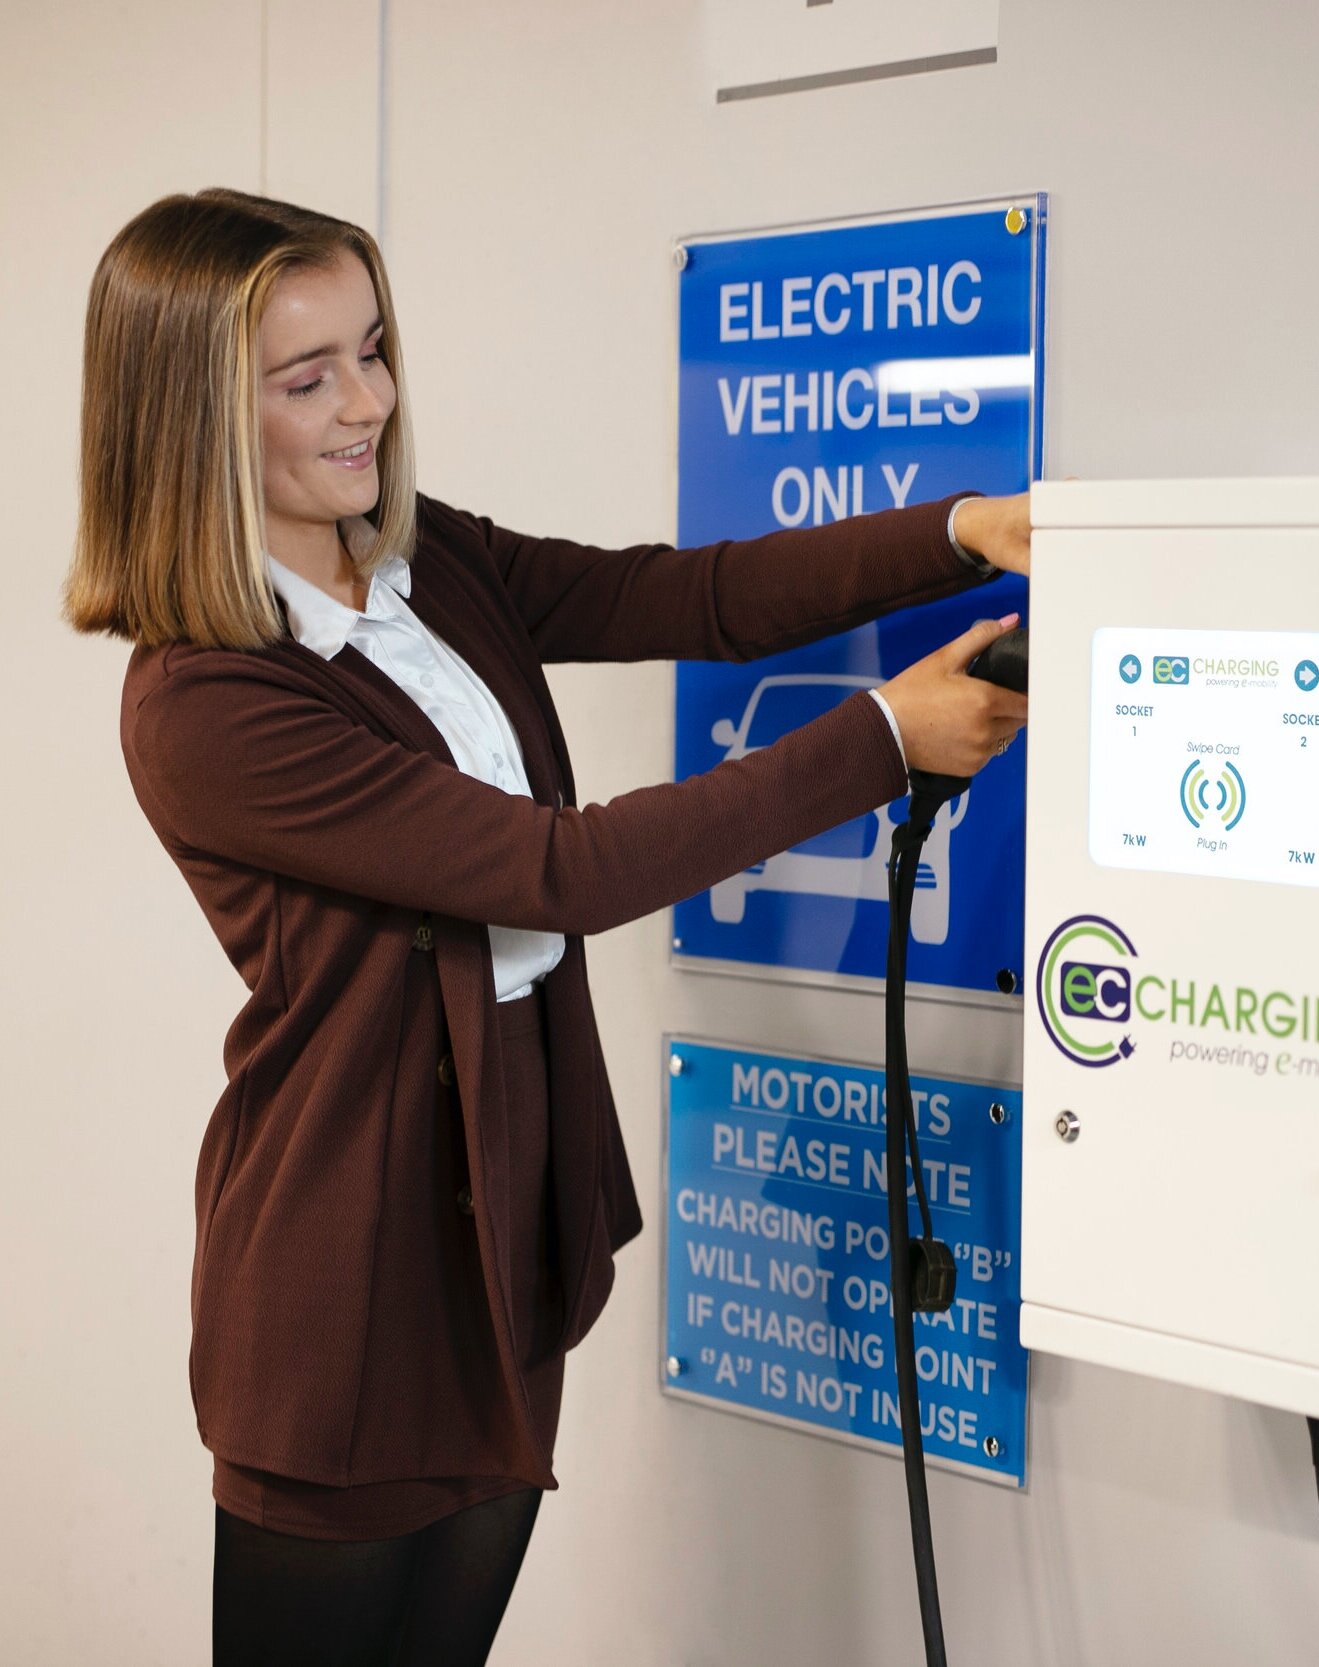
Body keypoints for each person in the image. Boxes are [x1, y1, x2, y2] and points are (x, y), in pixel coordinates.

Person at [61, 186, 1030, 1666]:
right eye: (307, 378)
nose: (368, 404)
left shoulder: (419, 560)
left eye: (373, 351)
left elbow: (684, 597)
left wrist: (961, 530)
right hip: (343, 1284)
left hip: (496, 1230)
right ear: (192, 415)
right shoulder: (207, 700)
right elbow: (555, 873)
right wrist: (883, 738)